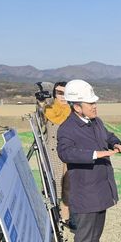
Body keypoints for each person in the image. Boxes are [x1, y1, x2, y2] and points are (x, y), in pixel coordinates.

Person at [57, 79, 121, 242]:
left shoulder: (96, 122)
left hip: (101, 185)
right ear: (77, 106)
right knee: (85, 231)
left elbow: (108, 136)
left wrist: (116, 143)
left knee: (97, 228)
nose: (95, 107)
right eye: (90, 104)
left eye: (94, 103)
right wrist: (96, 154)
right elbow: (65, 152)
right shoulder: (67, 128)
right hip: (85, 189)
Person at [42, 81, 73, 226]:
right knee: (51, 185)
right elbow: (38, 123)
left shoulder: (73, 110)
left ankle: (65, 217)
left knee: (67, 185)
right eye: (60, 93)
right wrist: (40, 103)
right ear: (54, 94)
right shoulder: (47, 110)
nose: (63, 96)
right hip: (52, 153)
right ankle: (50, 218)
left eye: (66, 93)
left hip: (68, 153)